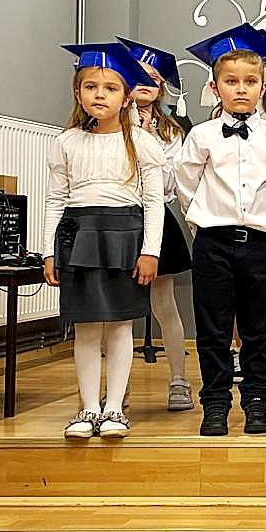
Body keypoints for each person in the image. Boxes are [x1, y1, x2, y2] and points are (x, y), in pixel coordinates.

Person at [175, 24, 266, 438]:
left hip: (260, 244)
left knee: (258, 328)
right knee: (213, 327)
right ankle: (215, 403)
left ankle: (257, 401)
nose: (241, 89)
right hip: (214, 243)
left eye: (249, 81)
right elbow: (187, 186)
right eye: (231, 81)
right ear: (215, 87)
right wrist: (208, 222)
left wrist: (261, 220)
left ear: (263, 86)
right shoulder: (202, 135)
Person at [42, 44, 164, 439]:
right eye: (91, 87)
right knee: (86, 326)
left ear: (126, 97)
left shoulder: (142, 143)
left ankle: (114, 408)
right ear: (77, 92)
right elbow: (55, 199)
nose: (100, 95)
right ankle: (88, 408)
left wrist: (150, 251)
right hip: (79, 237)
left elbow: (153, 201)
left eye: (110, 88)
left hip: (124, 236)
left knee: (120, 325)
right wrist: (48, 251)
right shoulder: (66, 142)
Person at [118, 38, 196, 412]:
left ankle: (179, 379)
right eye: (138, 76)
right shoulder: (110, 126)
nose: (146, 83)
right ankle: (118, 388)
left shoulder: (172, 131)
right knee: (117, 311)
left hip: (157, 218)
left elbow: (168, 184)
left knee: (165, 306)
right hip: (118, 220)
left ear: (162, 86)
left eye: (153, 78)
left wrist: (148, 139)